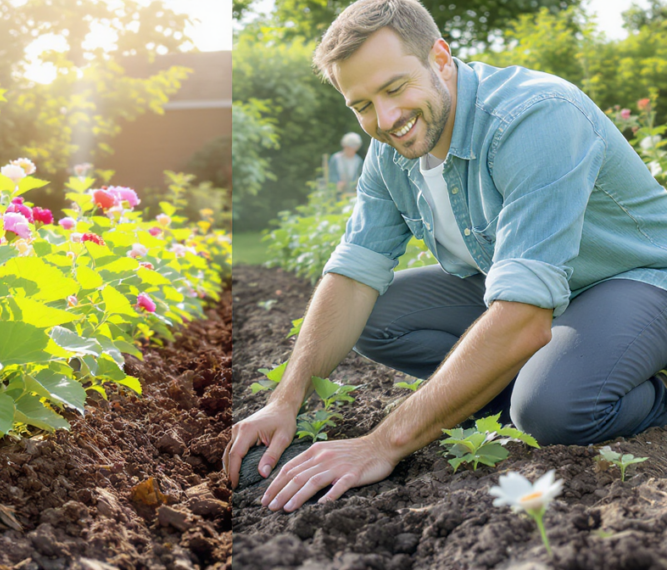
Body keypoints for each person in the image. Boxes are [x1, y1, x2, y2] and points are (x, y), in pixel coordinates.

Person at [224, 0, 667, 514]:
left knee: (552, 410)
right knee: (378, 316)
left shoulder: (535, 117)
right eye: (362, 105)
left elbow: (523, 316)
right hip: (544, 294)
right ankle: (529, 378)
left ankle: (621, 392)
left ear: (439, 58)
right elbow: (353, 271)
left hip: (638, 281)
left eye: (394, 88)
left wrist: (382, 442)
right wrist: (285, 398)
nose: (385, 119)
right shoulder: (390, 150)